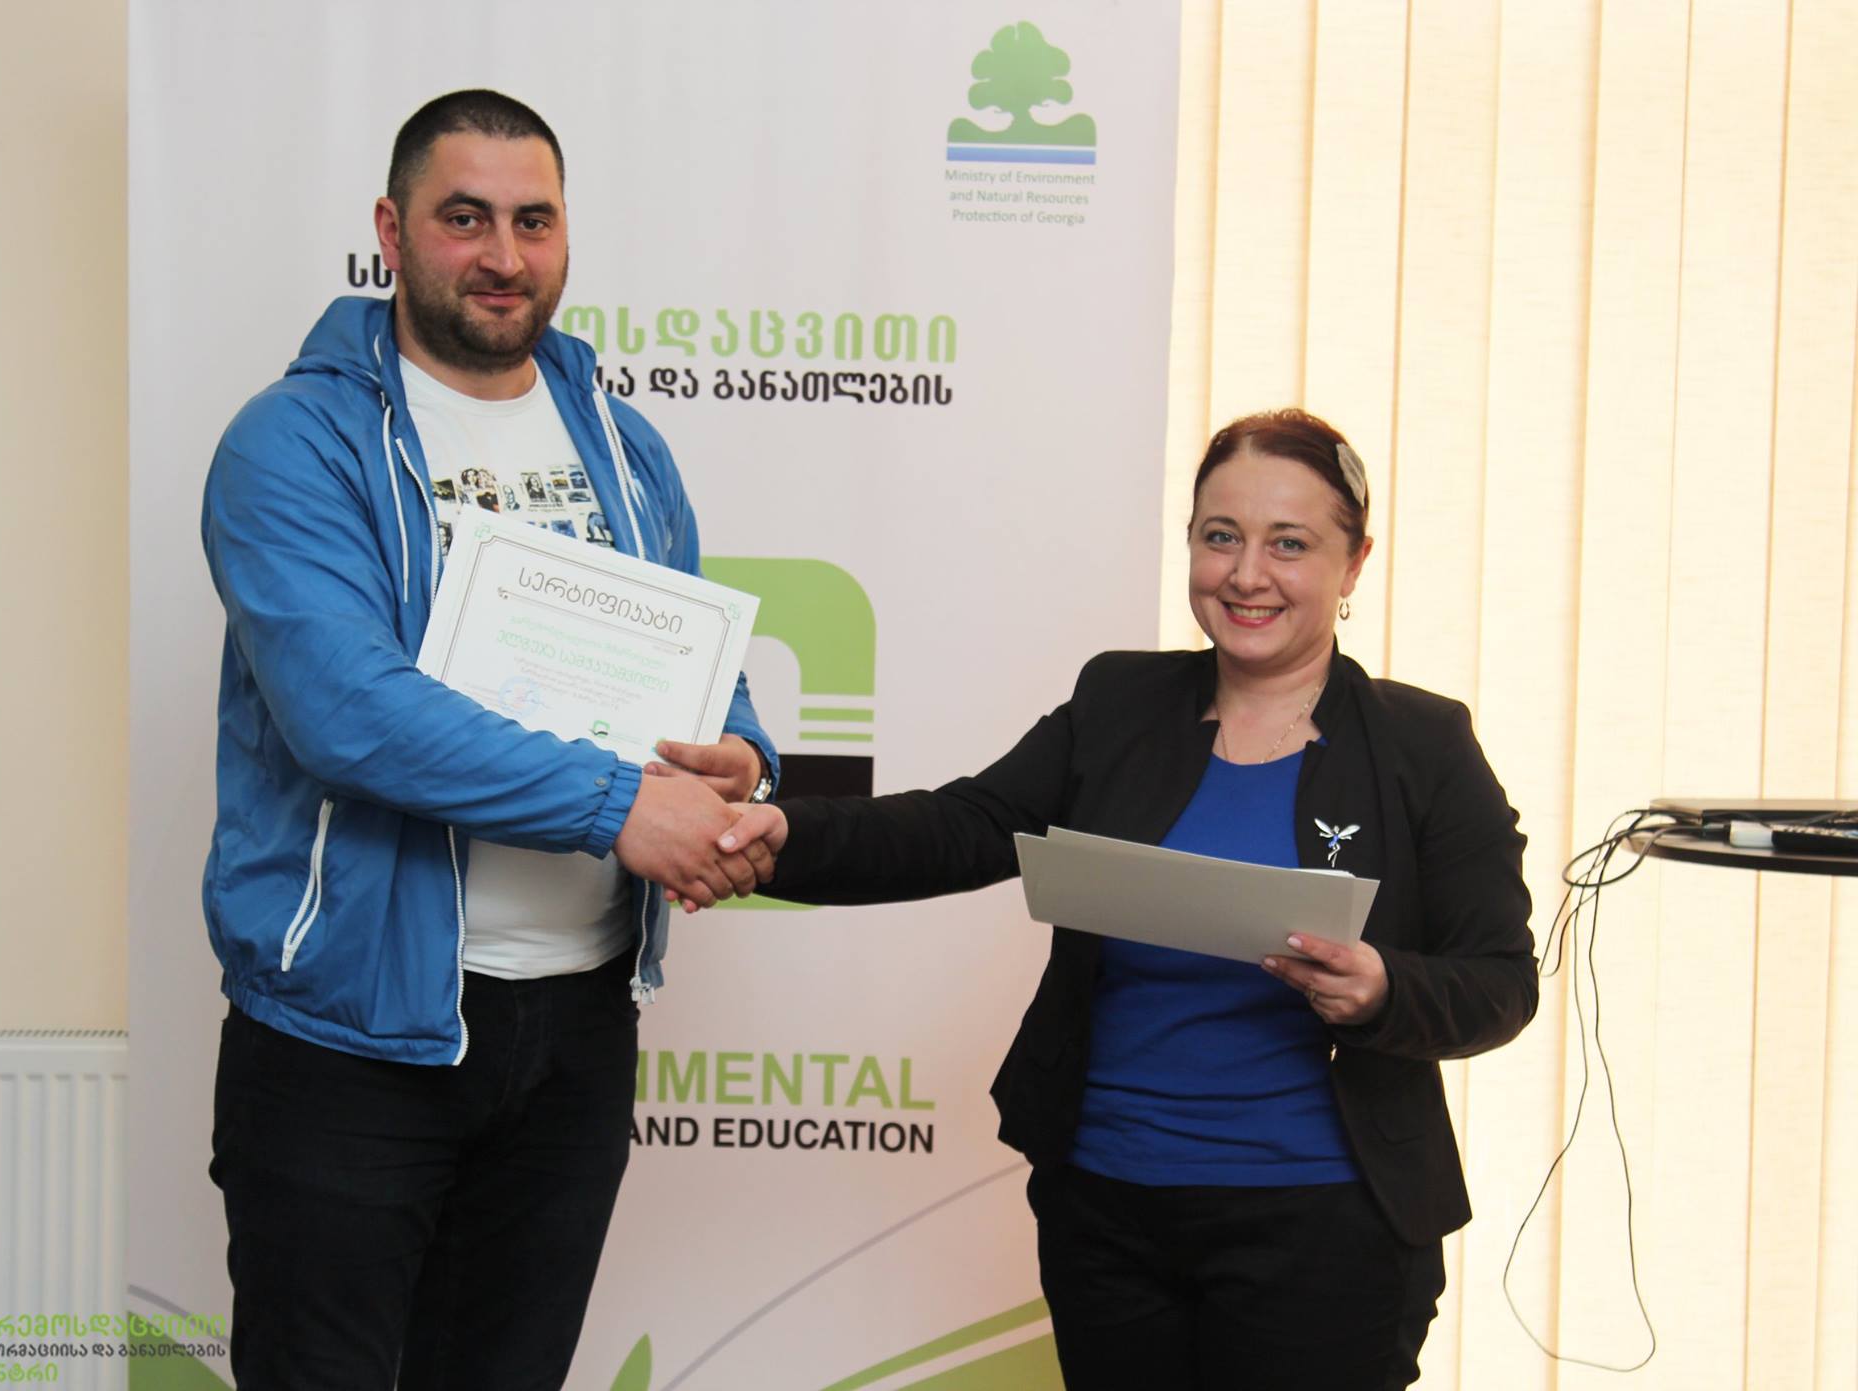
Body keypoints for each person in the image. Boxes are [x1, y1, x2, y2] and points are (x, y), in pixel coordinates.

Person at [715, 409, 1537, 1389]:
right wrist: (781, 833)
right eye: (1220, 536)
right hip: (1106, 1212)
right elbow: (964, 825)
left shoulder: (1422, 745)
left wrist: (1382, 989)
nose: (1246, 574)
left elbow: (1500, 980)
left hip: (1325, 1223)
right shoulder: (1117, 704)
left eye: (1289, 544)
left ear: (1353, 563)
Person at [199, 89, 778, 1389]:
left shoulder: (623, 445)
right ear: (390, 231)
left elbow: (700, 662)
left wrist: (740, 758)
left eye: (533, 220)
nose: (503, 254)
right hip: (351, 1036)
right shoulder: (293, 443)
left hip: (575, 1025)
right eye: (464, 218)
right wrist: (616, 804)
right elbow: (349, 711)